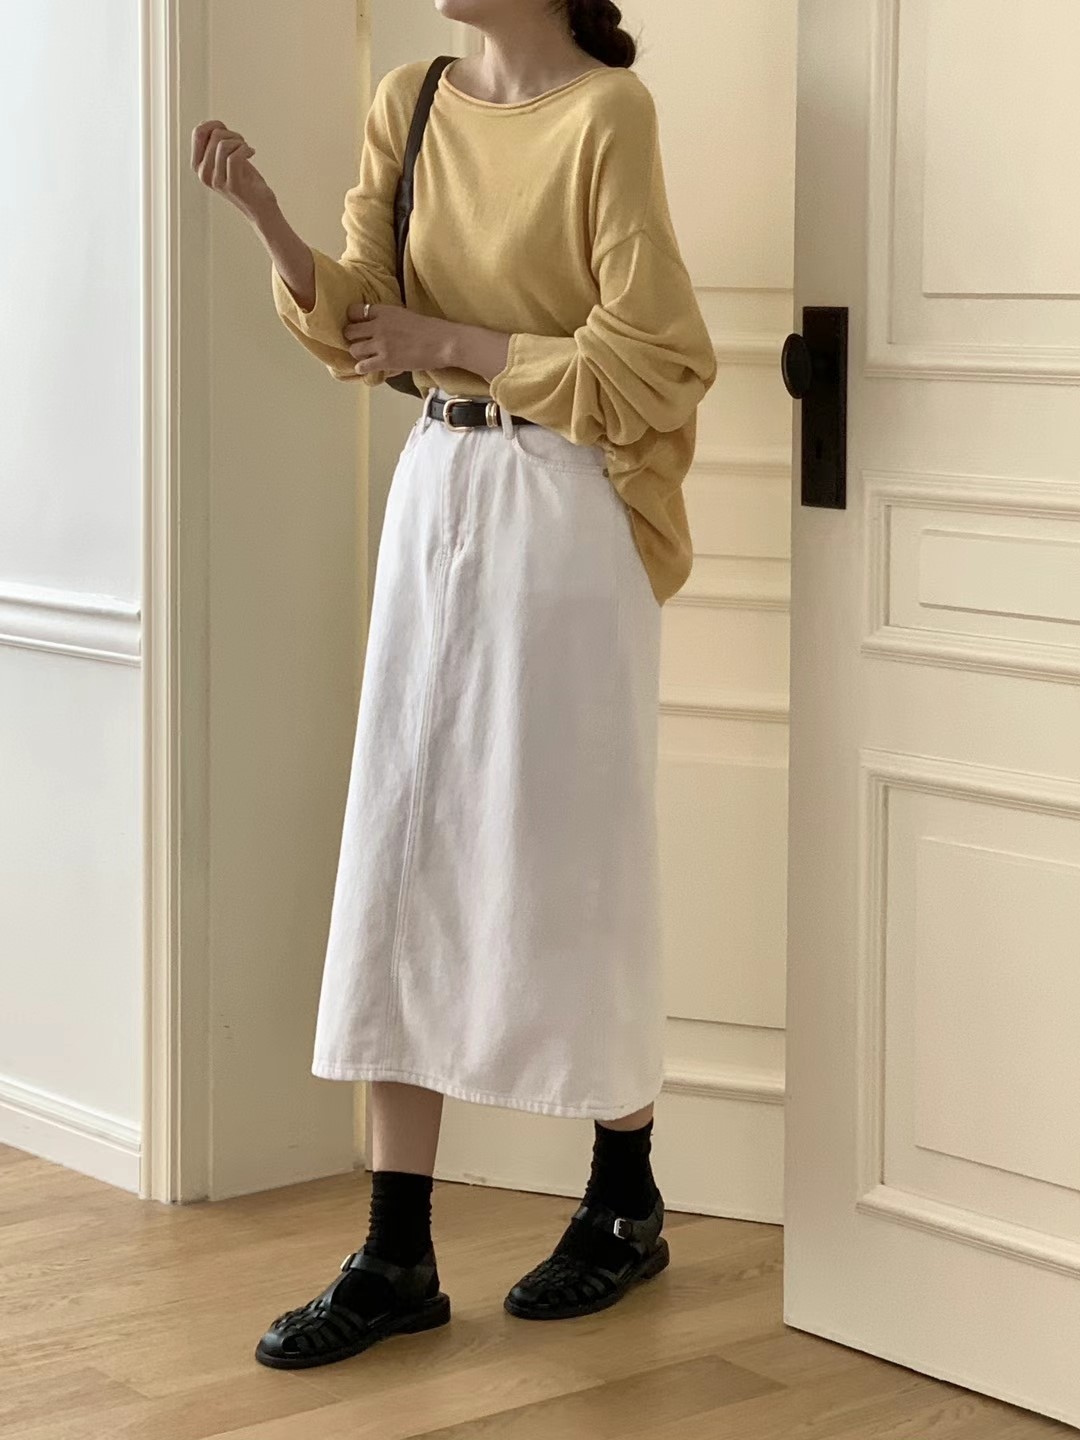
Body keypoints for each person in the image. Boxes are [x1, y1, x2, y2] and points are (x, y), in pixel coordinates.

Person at [191, 0, 716, 1371]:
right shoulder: (411, 99)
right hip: (437, 492)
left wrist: (460, 341)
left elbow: (655, 356)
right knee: (402, 845)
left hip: (568, 507)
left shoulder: (608, 115)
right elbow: (364, 319)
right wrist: (267, 221)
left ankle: (622, 1200)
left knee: (574, 848)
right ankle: (396, 1253)